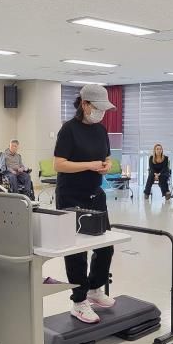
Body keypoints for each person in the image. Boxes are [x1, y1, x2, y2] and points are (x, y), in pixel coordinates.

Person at [53, 84, 116, 324]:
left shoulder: (101, 130)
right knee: (76, 251)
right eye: (97, 108)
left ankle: (94, 288)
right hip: (71, 197)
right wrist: (89, 165)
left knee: (105, 246)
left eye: (104, 109)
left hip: (95, 194)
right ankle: (79, 302)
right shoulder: (69, 130)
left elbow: (107, 156)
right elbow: (59, 164)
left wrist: (107, 165)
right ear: (84, 104)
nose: (101, 113)